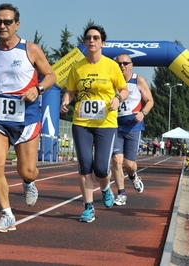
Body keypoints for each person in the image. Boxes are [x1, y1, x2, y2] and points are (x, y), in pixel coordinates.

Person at [0, 3, 57, 232]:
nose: (2, 26)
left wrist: (39, 89)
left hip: (27, 117)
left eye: (7, 22)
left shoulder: (30, 50)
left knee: (27, 170)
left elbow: (51, 75)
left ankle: (29, 182)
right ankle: (7, 214)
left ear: (17, 24)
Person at [60, 25, 129, 222]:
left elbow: (124, 90)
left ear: (102, 43)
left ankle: (106, 187)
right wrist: (66, 100)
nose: (92, 41)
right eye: (88, 37)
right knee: (84, 166)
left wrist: (117, 98)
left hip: (105, 122)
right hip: (81, 122)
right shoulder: (77, 67)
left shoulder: (111, 66)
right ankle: (88, 207)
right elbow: (70, 90)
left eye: (96, 38)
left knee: (100, 168)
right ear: (84, 42)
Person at [111, 53, 154, 206]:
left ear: (131, 65)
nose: (122, 66)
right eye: (119, 63)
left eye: (125, 63)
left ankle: (133, 175)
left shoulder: (138, 80)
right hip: (114, 124)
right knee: (116, 160)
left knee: (129, 164)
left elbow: (150, 101)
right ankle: (121, 193)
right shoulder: (111, 80)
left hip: (133, 124)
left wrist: (143, 113)